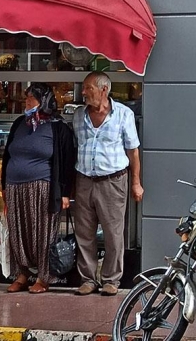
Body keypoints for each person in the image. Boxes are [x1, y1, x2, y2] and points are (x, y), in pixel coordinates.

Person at [72, 72, 143, 296]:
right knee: (84, 232)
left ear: (104, 90)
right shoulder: (78, 116)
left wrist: (136, 183)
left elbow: (133, 151)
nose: (83, 92)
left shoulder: (123, 114)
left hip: (113, 181)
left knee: (113, 233)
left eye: (88, 88)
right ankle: (88, 279)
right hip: (84, 179)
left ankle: (111, 280)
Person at [1, 83, 76, 294]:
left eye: (32, 99)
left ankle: (44, 277)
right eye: (27, 99)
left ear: (44, 101)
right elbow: (8, 156)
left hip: (43, 188)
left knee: (42, 233)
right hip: (15, 187)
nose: (27, 103)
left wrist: (64, 193)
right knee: (18, 232)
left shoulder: (57, 127)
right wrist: (3, 187)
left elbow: (67, 161)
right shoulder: (19, 124)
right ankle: (22, 274)